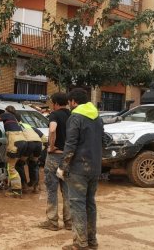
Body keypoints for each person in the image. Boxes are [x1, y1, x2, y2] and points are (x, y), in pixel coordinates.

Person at [57, 88, 104, 250]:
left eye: (70, 102)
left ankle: (80, 243)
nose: (69, 105)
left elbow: (70, 144)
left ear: (73, 102)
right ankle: (92, 241)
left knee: (77, 205)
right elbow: (103, 140)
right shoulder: (98, 117)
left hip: (78, 169)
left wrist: (63, 166)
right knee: (90, 204)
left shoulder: (75, 117)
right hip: (95, 168)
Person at [38, 92, 72, 231]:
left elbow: (52, 130)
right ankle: (69, 222)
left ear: (56, 103)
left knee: (52, 190)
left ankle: (52, 222)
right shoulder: (72, 116)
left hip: (55, 157)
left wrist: (51, 147)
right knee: (67, 191)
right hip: (68, 158)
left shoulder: (55, 114)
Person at [0, 105, 27, 198]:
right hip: (22, 142)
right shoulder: (14, 118)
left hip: (15, 143)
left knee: (11, 167)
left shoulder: (7, 115)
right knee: (12, 166)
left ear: (7, 111)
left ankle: (17, 191)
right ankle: (14, 187)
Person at [14, 113, 47, 193]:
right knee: (34, 163)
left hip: (29, 144)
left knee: (19, 164)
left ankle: (24, 185)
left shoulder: (15, 126)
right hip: (38, 144)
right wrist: (42, 148)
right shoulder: (28, 125)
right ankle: (36, 187)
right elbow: (44, 139)